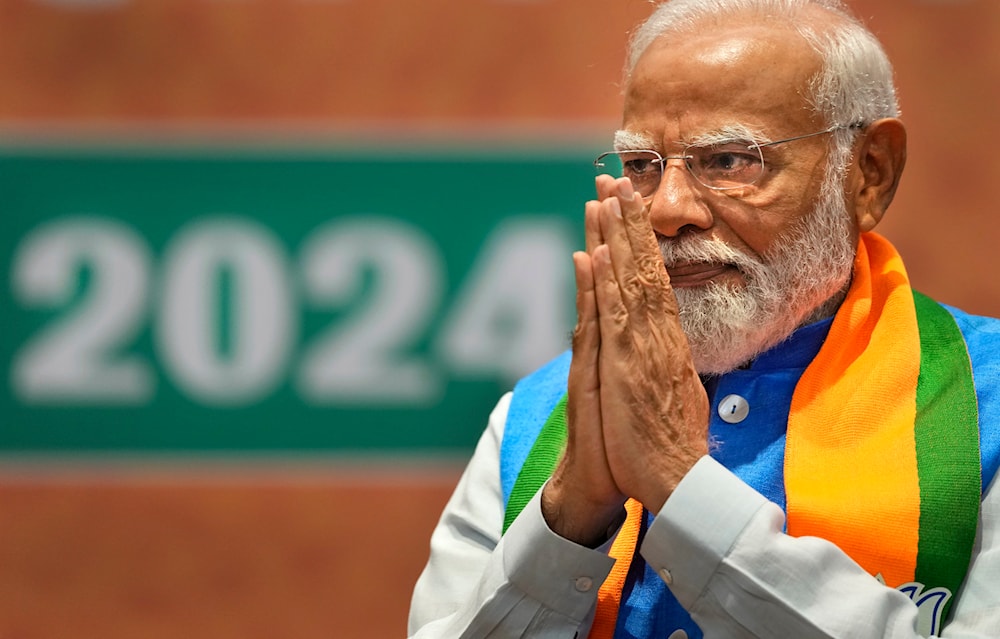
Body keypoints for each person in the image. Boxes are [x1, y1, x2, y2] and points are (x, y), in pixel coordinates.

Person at [408, 0, 1000, 636]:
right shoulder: (539, 414)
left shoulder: (983, 400)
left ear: (868, 174)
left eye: (728, 161)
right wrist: (570, 514)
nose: (667, 210)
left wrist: (678, 488)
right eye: (640, 166)